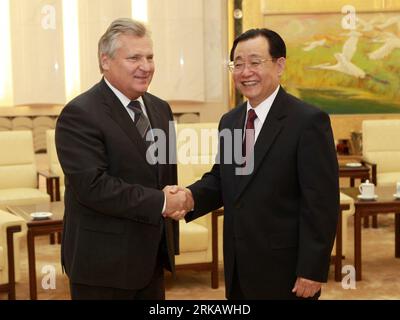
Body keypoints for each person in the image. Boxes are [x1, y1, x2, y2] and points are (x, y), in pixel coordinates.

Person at [168, 28, 339, 299]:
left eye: (255, 62)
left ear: (280, 65)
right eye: (238, 63)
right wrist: (189, 198)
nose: (245, 71)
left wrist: (312, 269)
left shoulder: (307, 121)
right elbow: (222, 180)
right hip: (238, 268)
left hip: (286, 272)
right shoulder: (231, 121)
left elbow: (321, 203)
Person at [55, 18, 192, 300]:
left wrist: (175, 201)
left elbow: (164, 177)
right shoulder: (80, 113)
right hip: (103, 265)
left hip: (151, 257)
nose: (146, 66)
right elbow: (94, 187)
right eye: (134, 58)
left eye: (150, 57)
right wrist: (164, 202)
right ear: (105, 61)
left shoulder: (160, 109)